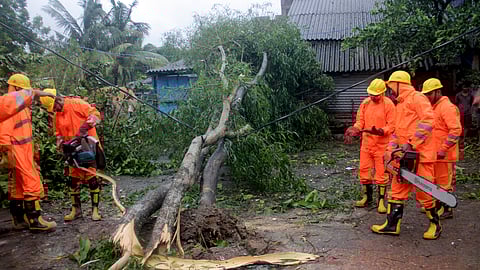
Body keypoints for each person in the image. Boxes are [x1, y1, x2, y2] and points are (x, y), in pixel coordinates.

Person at [371, 70, 441, 240]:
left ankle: (435, 224)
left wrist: (411, 143)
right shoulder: (400, 104)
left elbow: (428, 121)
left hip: (421, 156)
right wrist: (390, 150)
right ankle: (392, 225)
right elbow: (396, 132)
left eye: (391, 86)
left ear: (399, 84)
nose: (390, 90)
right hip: (404, 157)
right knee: (396, 191)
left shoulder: (417, 97)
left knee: (425, 192)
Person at [1, 74, 57, 232]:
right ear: (18, 88)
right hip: (17, 149)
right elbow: (4, 130)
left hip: (21, 148)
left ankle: (19, 220)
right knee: (31, 181)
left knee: (18, 186)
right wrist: (6, 151)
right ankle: (35, 220)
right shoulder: (11, 105)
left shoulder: (18, 106)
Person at [40, 89, 103, 221]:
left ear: (58, 100)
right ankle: (76, 210)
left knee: (92, 178)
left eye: (55, 107)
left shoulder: (76, 103)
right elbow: (58, 133)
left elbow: (95, 114)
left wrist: (86, 126)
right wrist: (60, 143)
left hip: (87, 146)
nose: (55, 110)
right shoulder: (57, 114)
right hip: (72, 150)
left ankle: (95, 210)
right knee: (73, 180)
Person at [344, 79, 396, 213]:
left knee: (381, 173)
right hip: (367, 144)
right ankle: (367, 198)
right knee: (364, 170)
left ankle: (381, 201)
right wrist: (354, 129)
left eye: (376, 95)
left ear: (382, 93)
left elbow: (392, 125)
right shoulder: (365, 103)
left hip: (382, 145)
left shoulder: (388, 105)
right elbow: (360, 121)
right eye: (371, 94)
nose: (373, 97)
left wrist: (381, 131)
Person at [421, 78, 461, 219]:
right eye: (425, 95)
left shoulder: (447, 107)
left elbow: (455, 131)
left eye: (429, 94)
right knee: (436, 181)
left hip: (445, 155)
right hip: (434, 153)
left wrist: (444, 148)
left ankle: (447, 209)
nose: (427, 97)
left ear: (438, 91)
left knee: (444, 182)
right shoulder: (434, 107)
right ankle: (437, 205)